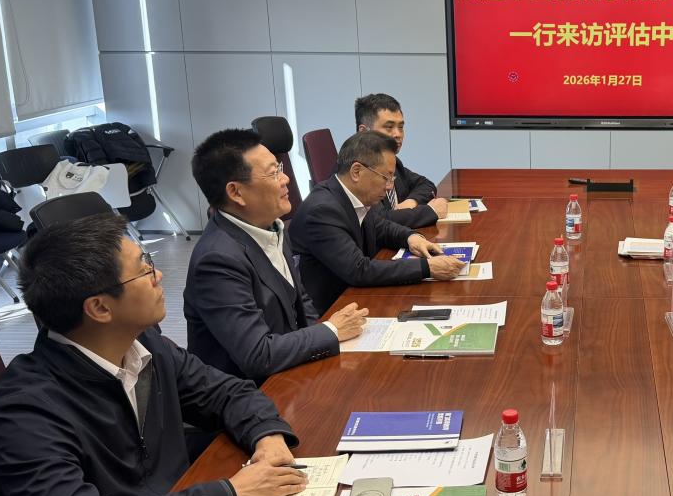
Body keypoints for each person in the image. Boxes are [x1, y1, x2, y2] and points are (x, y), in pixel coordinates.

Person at [0, 214, 310, 496]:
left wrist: (266, 435)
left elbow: (227, 392)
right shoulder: (24, 410)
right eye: (144, 268)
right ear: (100, 308)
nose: (159, 275)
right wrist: (230, 495)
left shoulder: (145, 347)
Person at [184, 129, 368, 384]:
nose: (285, 179)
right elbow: (258, 354)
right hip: (249, 394)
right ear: (236, 192)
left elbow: (301, 301)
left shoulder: (270, 226)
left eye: (280, 168)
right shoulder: (216, 260)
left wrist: (325, 343)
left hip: (290, 372)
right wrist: (331, 330)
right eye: (273, 173)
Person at [290, 131, 463, 310]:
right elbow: (359, 270)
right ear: (357, 171)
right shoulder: (322, 211)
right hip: (330, 309)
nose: (389, 186)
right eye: (386, 178)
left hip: (353, 296)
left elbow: (381, 227)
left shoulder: (356, 196)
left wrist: (411, 238)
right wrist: (426, 267)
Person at [355, 93, 447, 228]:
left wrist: (410, 202)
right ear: (363, 132)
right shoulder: (359, 171)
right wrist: (431, 211)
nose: (398, 134)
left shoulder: (392, 162)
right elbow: (378, 222)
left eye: (401, 127)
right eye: (389, 127)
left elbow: (425, 184)